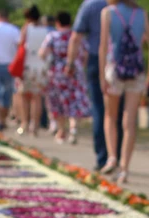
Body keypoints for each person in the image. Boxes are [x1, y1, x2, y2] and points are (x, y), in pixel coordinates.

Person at [98, 0, 149, 183]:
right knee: (130, 121)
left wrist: (101, 76)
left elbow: (103, 46)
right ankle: (125, 168)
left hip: (115, 69)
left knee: (110, 115)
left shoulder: (108, 12)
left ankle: (112, 156)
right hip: (136, 71)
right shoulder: (141, 13)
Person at [69, 0, 122, 170]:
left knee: (100, 109)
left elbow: (76, 36)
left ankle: (103, 157)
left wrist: (70, 62)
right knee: (118, 112)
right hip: (122, 62)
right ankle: (116, 155)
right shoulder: (128, 6)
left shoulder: (90, 5)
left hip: (96, 58)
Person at [42, 11, 90, 144]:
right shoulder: (77, 36)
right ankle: (73, 129)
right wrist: (81, 65)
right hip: (75, 71)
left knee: (58, 101)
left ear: (57, 22)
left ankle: (61, 131)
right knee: (73, 100)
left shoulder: (52, 36)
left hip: (57, 72)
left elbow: (42, 53)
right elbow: (86, 53)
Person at [16, 7, 52, 135]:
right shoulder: (45, 30)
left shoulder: (26, 28)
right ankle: (35, 125)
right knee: (37, 97)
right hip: (41, 66)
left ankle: (24, 122)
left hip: (28, 64)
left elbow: (20, 44)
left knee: (24, 95)